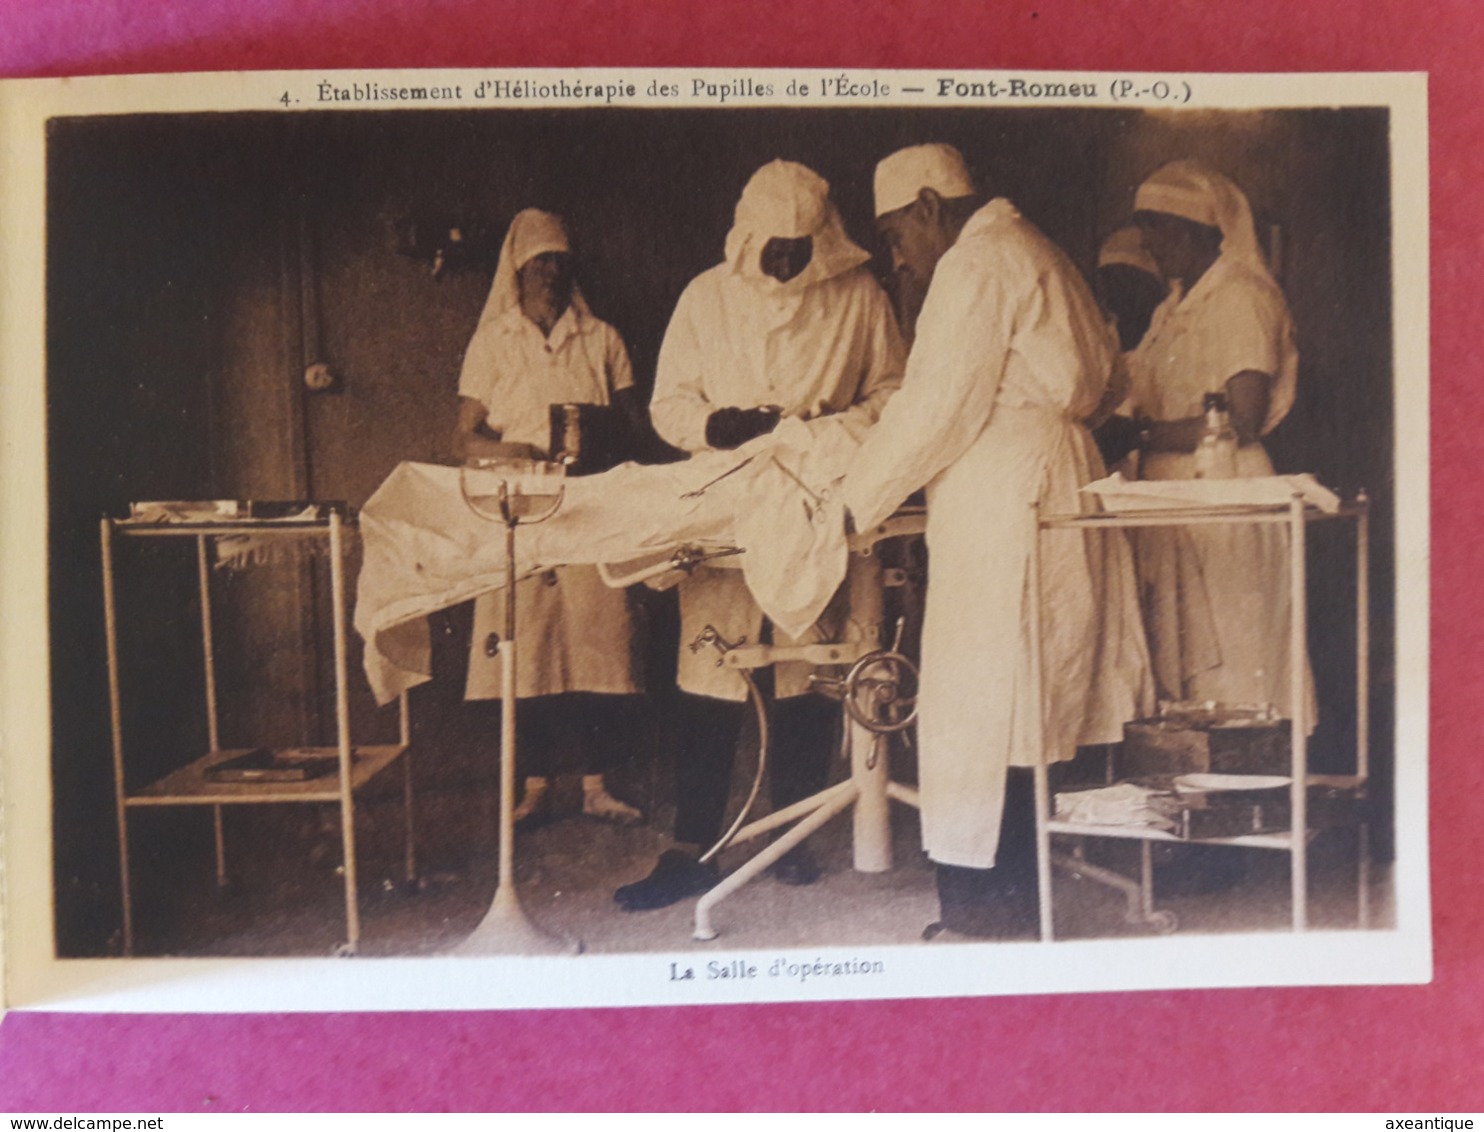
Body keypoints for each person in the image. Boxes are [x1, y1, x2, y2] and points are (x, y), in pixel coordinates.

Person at [838, 144, 1153, 938]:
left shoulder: (974, 265)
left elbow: (939, 404)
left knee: (978, 705)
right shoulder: (1039, 248)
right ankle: (1018, 894)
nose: (896, 254)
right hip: (1052, 472)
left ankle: (986, 913)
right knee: (1026, 701)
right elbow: (1112, 382)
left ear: (927, 206)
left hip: (1006, 491)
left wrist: (853, 502)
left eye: (895, 233)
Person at [613, 159, 905, 911]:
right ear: (745, 240)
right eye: (771, 250)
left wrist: (827, 430)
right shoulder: (706, 298)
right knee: (713, 671)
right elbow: (669, 403)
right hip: (730, 499)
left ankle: (797, 833)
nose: (783, 265)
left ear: (824, 241)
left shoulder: (859, 295)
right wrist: (717, 425)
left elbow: (894, 394)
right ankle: (694, 842)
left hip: (820, 493)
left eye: (797, 251)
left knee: (806, 667)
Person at [453, 208, 644, 826]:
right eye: (540, 261)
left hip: (590, 505)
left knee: (599, 646)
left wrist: (596, 448)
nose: (552, 272)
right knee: (527, 650)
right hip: (521, 509)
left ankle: (596, 787)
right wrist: (520, 451)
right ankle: (533, 788)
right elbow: (464, 438)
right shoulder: (494, 341)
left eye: (560, 260)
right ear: (519, 269)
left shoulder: (603, 338)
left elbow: (631, 425)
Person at [1124, 160, 1312, 719]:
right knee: (1181, 670)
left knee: (1234, 655)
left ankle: (1254, 786)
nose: (1150, 242)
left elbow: (1244, 415)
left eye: (1160, 227)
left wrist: (1143, 433)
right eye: (1146, 227)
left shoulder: (1242, 295)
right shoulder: (1173, 306)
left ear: (1201, 229)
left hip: (1224, 492)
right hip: (1177, 501)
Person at [1090, 225, 1169, 470]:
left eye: (1133, 282)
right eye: (1111, 281)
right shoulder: (1098, 346)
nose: (1121, 295)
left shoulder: (1170, 338)